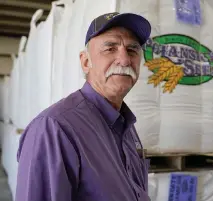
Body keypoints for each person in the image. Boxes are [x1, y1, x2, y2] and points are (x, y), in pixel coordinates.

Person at [15, 12, 151, 201]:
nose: (125, 59)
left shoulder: (126, 127)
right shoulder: (54, 128)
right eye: (110, 49)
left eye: (132, 50)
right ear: (86, 62)